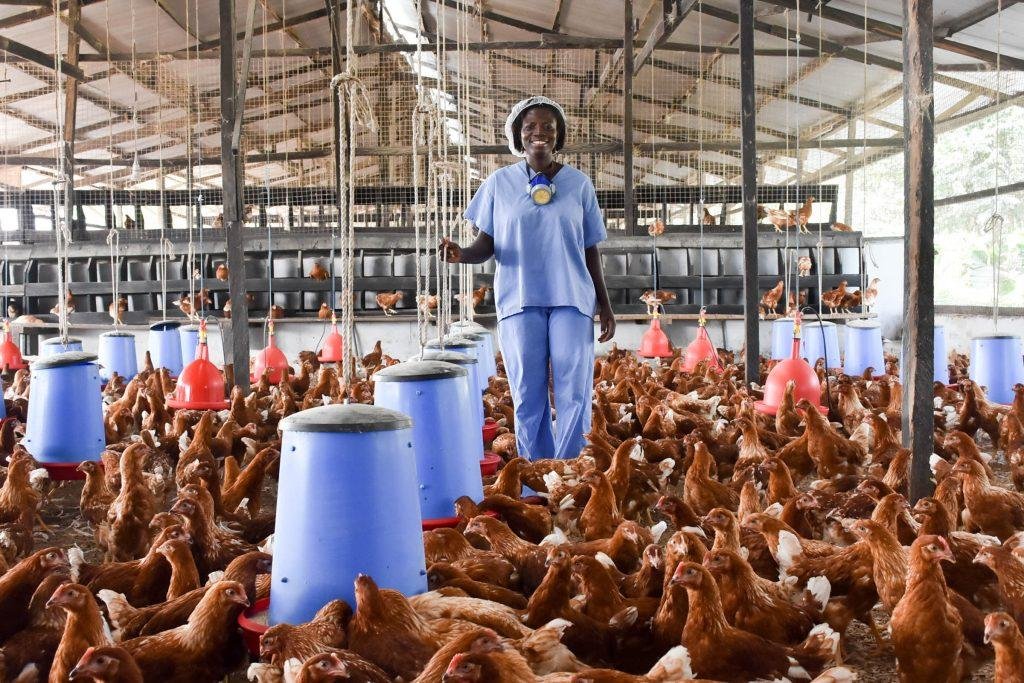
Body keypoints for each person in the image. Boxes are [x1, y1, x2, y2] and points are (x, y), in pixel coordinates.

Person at [440, 96, 615, 461]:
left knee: (574, 390)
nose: (540, 133)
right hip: (519, 299)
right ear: (518, 137)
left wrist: (605, 304)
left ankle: (568, 472)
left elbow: (590, 248)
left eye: (548, 127)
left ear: (558, 135)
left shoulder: (579, 184)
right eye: (530, 127)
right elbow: (485, 245)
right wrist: (461, 254)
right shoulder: (498, 184)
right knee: (527, 391)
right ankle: (536, 476)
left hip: (572, 298)